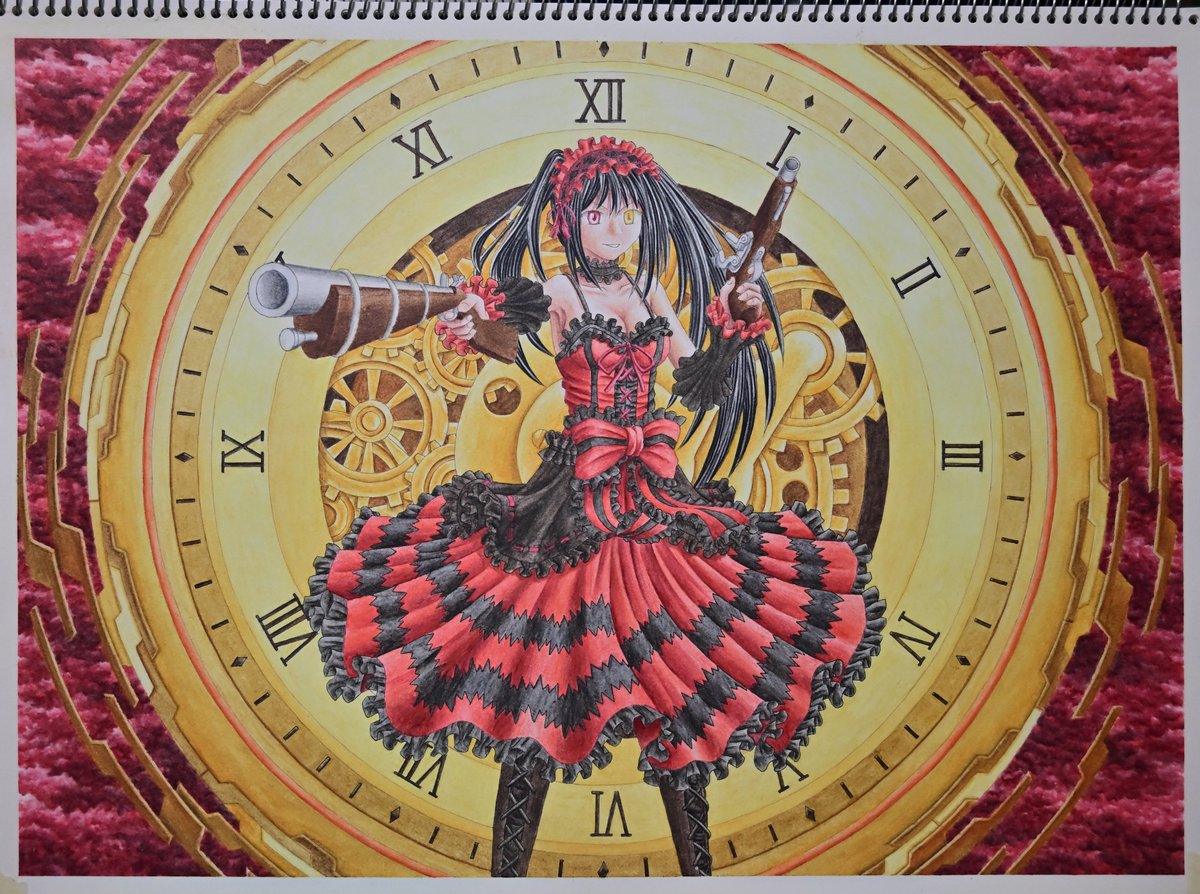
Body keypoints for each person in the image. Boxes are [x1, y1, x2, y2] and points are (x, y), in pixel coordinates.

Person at [305, 136, 884, 877]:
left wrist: (735, 323)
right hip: (571, 508)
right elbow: (503, 327)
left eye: (629, 216)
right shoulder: (557, 292)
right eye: (601, 215)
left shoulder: (649, 292)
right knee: (540, 687)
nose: (618, 229)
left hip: (655, 503)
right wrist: (472, 319)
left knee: (678, 685)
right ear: (569, 219)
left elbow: (700, 385)